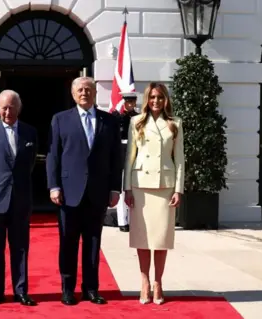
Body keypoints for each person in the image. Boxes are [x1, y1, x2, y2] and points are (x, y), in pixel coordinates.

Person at [46, 77, 123, 306]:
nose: (84, 93)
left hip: (97, 193)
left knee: (93, 243)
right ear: (73, 94)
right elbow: (53, 156)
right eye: (80, 90)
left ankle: (91, 288)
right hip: (69, 193)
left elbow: (115, 158)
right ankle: (67, 288)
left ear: (94, 93)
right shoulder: (60, 120)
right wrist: (54, 186)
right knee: (68, 243)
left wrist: (114, 188)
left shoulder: (109, 121)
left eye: (88, 89)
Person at [123, 82, 185, 305]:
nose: (156, 101)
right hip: (141, 185)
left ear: (165, 99)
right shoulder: (136, 122)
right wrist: (127, 188)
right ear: (146, 100)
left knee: (161, 239)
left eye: (159, 97)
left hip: (165, 186)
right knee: (142, 237)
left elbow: (179, 160)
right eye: (152, 97)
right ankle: (144, 281)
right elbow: (130, 156)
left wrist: (179, 189)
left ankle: (158, 282)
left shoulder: (175, 123)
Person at [0, 90, 38, 306]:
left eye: (11, 107)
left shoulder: (30, 133)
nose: (7, 111)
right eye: (3, 107)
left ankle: (21, 291)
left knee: (20, 247)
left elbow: (30, 164)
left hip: (20, 198)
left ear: (18, 108)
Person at [113, 92, 139, 232]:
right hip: (122, 151)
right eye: (127, 102)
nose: (129, 105)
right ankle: (123, 221)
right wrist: (118, 111)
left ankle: (134, 220)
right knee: (123, 189)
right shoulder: (118, 117)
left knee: (135, 188)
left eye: (132, 102)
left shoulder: (139, 116)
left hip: (136, 151)